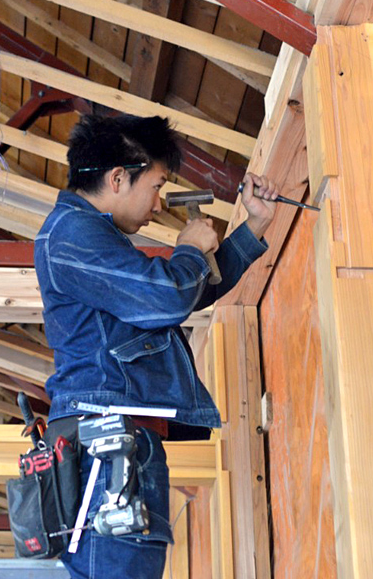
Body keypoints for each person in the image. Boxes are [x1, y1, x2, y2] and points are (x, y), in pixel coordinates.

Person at [34, 114, 277, 579]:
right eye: (157, 184)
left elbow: (173, 299)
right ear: (118, 177)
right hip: (107, 443)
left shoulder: (93, 238)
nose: (159, 202)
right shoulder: (69, 234)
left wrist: (251, 230)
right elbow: (166, 296)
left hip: (115, 440)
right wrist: (187, 249)